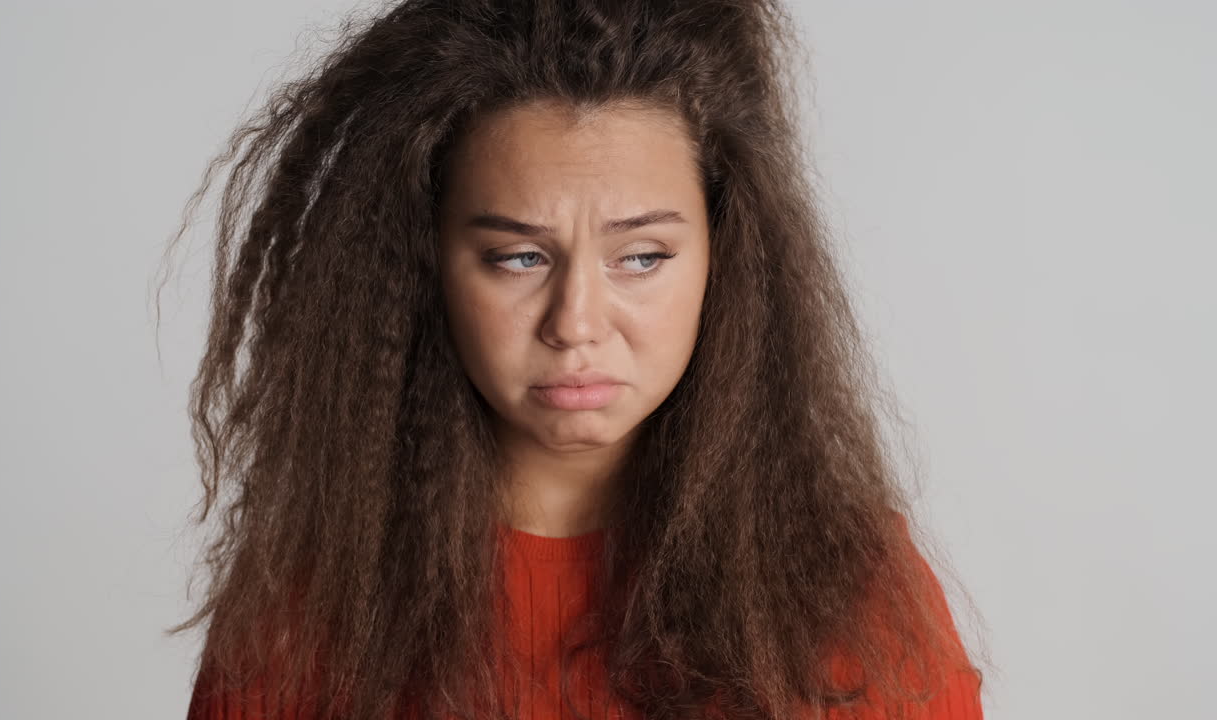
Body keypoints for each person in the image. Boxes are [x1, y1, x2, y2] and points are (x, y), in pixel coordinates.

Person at [159, 1, 990, 718]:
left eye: (642, 258)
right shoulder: (305, 621)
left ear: (726, 258)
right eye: (519, 258)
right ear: (423, 264)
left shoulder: (850, 595)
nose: (577, 324)